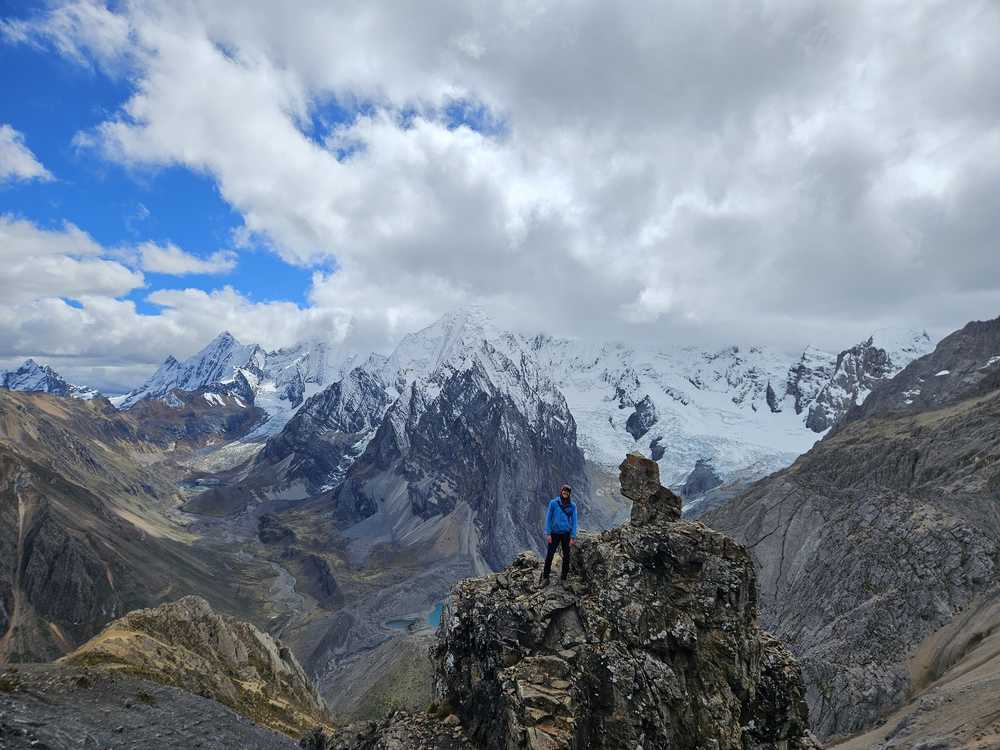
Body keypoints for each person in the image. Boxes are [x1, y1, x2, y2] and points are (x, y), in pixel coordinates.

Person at [541, 484, 578, 585]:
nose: (565, 493)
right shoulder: (553, 503)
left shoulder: (572, 506)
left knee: (566, 556)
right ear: (561, 491)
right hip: (554, 533)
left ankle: (564, 578)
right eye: (564, 491)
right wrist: (548, 533)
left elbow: (574, 521)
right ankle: (545, 577)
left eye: (567, 492)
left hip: (566, 534)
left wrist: (573, 536)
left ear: (569, 494)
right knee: (549, 555)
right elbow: (548, 518)